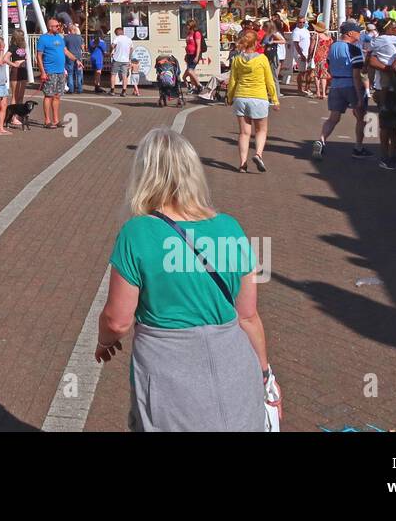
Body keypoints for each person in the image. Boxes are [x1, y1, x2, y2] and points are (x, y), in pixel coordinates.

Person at [95, 128, 277, 432]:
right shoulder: (230, 227)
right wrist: (264, 377)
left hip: (168, 373)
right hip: (234, 366)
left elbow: (117, 321)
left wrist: (104, 342)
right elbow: (248, 316)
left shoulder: (137, 232)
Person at [312, 21, 373, 160]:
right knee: (360, 116)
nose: (359, 34)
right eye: (358, 31)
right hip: (350, 84)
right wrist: (359, 97)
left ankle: (321, 140)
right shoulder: (353, 49)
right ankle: (358, 147)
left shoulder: (333, 46)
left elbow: (329, 63)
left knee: (333, 117)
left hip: (336, 84)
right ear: (350, 33)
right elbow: (357, 75)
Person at [225, 29, 278, 173]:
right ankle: (258, 154)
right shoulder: (262, 59)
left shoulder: (237, 59)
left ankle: (242, 163)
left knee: (244, 133)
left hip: (241, 97)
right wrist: (275, 99)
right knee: (261, 130)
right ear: (256, 43)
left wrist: (229, 97)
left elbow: (233, 81)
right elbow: (269, 81)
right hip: (258, 97)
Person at [367, 19, 396, 170]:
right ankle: (385, 157)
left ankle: (395, 154)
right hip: (385, 87)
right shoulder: (383, 40)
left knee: (395, 124)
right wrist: (387, 68)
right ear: (388, 29)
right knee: (386, 124)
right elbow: (370, 59)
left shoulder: (386, 40)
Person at [36, 17, 78, 129]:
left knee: (57, 96)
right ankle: (47, 121)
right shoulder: (43, 39)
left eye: (59, 26)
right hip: (50, 71)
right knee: (48, 96)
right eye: (57, 26)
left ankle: (56, 120)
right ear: (50, 27)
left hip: (60, 72)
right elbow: (39, 56)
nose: (59, 27)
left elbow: (65, 51)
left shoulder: (59, 38)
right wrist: (43, 72)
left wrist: (76, 60)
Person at [289, 19, 312, 96]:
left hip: (307, 53)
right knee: (302, 72)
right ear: (297, 22)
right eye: (300, 22)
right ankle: (299, 89)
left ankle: (307, 88)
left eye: (303, 22)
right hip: (300, 54)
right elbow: (296, 44)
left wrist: (309, 53)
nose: (302, 24)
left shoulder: (306, 30)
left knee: (309, 71)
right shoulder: (296, 31)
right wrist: (301, 55)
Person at [311, 22, 332, 99]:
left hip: (317, 57)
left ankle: (318, 92)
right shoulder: (328, 37)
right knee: (323, 75)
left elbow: (311, 47)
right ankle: (323, 93)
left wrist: (310, 56)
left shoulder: (315, 36)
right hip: (325, 58)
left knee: (316, 75)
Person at [109, 27, 132, 96]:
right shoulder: (129, 39)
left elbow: (112, 45)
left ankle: (112, 90)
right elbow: (131, 49)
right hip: (125, 60)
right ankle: (124, 91)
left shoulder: (117, 38)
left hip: (117, 59)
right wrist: (129, 58)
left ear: (117, 33)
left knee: (113, 74)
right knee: (124, 75)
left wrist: (111, 52)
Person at [64, 22, 86, 95]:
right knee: (79, 73)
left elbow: (64, 48)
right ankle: (79, 89)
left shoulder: (66, 37)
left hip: (69, 56)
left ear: (69, 30)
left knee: (70, 73)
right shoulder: (80, 37)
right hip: (78, 56)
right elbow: (83, 47)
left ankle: (71, 89)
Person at [9, 28, 29, 107]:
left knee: (21, 96)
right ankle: (13, 116)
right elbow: (5, 58)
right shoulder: (13, 47)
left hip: (23, 70)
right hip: (16, 71)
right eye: (21, 36)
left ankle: (19, 114)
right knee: (15, 96)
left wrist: (25, 57)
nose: (23, 37)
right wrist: (14, 64)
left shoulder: (22, 47)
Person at [182, 19, 203, 92]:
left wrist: (197, 56)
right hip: (189, 55)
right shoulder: (188, 34)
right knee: (186, 76)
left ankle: (199, 85)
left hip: (194, 54)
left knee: (190, 71)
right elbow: (187, 44)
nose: (186, 26)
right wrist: (186, 55)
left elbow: (198, 46)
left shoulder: (196, 33)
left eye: (188, 25)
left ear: (191, 26)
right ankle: (193, 87)